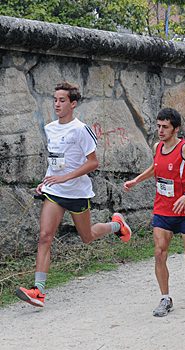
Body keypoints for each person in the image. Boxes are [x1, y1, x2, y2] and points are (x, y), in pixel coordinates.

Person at [15, 82, 132, 308]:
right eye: (55, 100)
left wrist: (66, 178)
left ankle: (117, 225)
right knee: (45, 237)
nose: (57, 104)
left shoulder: (81, 129)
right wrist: (46, 181)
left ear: (73, 104)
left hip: (77, 192)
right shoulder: (49, 128)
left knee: (87, 236)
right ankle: (38, 291)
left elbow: (93, 162)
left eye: (62, 100)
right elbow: (56, 161)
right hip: (54, 191)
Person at [122, 108, 185, 317]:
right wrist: (136, 180)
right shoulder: (158, 147)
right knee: (159, 252)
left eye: (165, 127)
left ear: (176, 129)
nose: (160, 130)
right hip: (163, 209)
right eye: (158, 126)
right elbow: (156, 167)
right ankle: (165, 298)